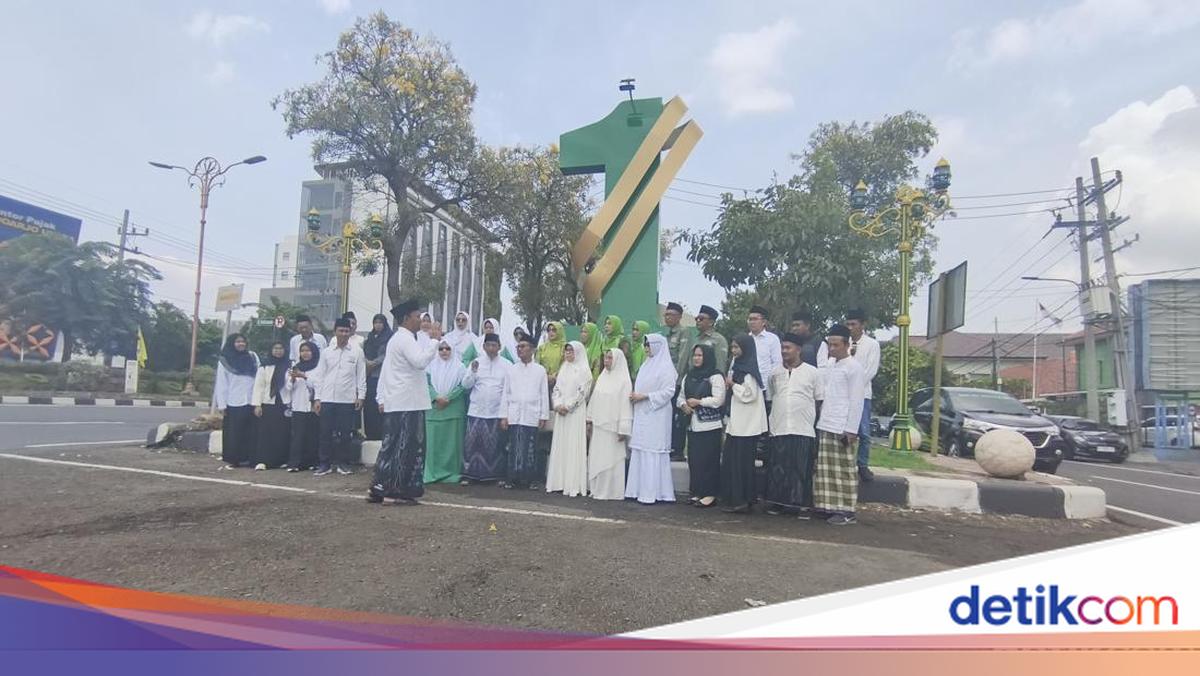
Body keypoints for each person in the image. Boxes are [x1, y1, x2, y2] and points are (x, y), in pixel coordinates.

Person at [369, 300, 441, 504]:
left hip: (401, 401)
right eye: (417, 316)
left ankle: (381, 485)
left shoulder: (398, 339)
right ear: (407, 319)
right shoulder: (405, 339)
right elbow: (419, 362)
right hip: (408, 403)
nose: (420, 320)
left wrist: (382, 397)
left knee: (392, 445)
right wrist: (435, 341)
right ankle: (400, 488)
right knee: (407, 446)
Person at [814, 324, 866, 525]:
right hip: (826, 422)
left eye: (836, 345)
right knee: (826, 469)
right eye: (830, 345)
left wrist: (851, 429)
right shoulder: (830, 365)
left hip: (843, 426)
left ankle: (846, 510)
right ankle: (828, 506)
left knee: (843, 469)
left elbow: (856, 401)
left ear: (846, 344)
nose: (832, 349)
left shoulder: (854, 368)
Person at [765, 333, 822, 517]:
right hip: (779, 426)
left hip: (803, 428)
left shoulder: (812, 372)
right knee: (778, 467)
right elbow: (771, 397)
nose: (784, 351)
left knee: (801, 468)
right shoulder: (774, 373)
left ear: (798, 350)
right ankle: (777, 503)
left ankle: (802, 505)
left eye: (788, 348)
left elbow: (819, 399)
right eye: (782, 348)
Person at [625, 333, 678, 504]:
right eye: (645, 345)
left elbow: (669, 391)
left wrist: (646, 396)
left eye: (649, 345)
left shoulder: (667, 367)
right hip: (642, 413)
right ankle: (637, 490)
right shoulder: (646, 364)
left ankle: (655, 492)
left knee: (653, 451)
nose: (646, 348)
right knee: (641, 449)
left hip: (657, 415)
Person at [313, 317, 367, 476]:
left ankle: (344, 463)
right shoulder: (326, 352)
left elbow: (361, 376)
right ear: (334, 332)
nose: (343, 334)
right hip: (327, 398)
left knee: (345, 434)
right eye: (341, 331)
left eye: (346, 331)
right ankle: (325, 464)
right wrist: (317, 398)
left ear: (350, 332)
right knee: (325, 433)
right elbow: (319, 376)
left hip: (347, 399)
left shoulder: (357, 351)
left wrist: (361, 396)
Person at [721, 334, 767, 513]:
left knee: (743, 464)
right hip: (738, 423)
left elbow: (750, 395)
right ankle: (735, 498)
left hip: (747, 425)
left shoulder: (749, 371)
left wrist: (733, 385)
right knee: (733, 461)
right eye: (732, 347)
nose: (734, 351)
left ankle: (744, 500)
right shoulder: (738, 367)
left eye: (737, 348)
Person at [678, 345, 726, 508]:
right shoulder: (689, 376)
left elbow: (719, 399)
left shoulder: (715, 376)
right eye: (695, 355)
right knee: (695, 460)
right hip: (693, 425)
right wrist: (684, 405)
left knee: (709, 460)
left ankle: (710, 493)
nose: (697, 358)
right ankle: (696, 491)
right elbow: (681, 397)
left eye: (700, 355)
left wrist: (699, 402)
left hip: (710, 425)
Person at [461, 333, 511, 485]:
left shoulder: (507, 364)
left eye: (494, 345)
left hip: (496, 411)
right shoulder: (476, 363)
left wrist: (505, 413)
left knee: (495, 445)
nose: (491, 348)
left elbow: (508, 390)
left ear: (499, 347)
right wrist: (473, 371)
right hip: (476, 411)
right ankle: (470, 476)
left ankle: (494, 476)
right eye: (488, 345)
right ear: (483, 347)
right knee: (472, 444)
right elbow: (465, 385)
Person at [500, 335, 549, 489]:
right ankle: (512, 478)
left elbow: (543, 394)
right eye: (518, 347)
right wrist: (503, 416)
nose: (520, 349)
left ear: (532, 349)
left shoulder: (540, 370)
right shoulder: (512, 369)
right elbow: (505, 393)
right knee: (513, 446)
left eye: (523, 346)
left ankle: (530, 479)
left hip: (531, 414)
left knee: (530, 447)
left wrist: (543, 415)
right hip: (515, 414)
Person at [545, 341, 592, 497]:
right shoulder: (564, 368)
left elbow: (582, 392)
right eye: (566, 351)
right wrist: (557, 404)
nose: (568, 354)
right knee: (561, 444)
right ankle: (558, 481)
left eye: (571, 351)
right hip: (561, 412)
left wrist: (569, 406)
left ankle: (573, 484)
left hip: (575, 413)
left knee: (573, 445)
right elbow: (557, 388)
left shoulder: (584, 370)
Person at [586, 348, 632, 500]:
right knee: (598, 457)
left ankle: (610, 492)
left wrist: (623, 429)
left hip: (613, 429)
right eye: (605, 358)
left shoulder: (624, 380)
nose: (607, 361)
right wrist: (589, 420)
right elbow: (594, 400)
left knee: (611, 459)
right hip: (599, 427)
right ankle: (596, 489)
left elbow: (625, 405)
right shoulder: (602, 377)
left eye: (610, 358)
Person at [424, 339, 468, 484]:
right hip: (434, 410)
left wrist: (448, 398)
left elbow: (463, 386)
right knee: (432, 444)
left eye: (447, 348)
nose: (444, 351)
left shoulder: (460, 367)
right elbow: (426, 383)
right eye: (441, 349)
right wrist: (436, 397)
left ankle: (451, 474)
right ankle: (432, 473)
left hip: (453, 410)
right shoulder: (430, 366)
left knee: (452, 445)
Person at [845, 309, 880, 482]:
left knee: (864, 432)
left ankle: (863, 465)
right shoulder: (845, 343)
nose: (850, 327)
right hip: (844, 395)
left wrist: (856, 387)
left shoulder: (872, 344)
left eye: (854, 324)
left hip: (863, 394)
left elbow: (871, 370)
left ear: (862, 325)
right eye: (848, 324)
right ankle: (846, 464)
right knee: (844, 432)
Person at [214, 334, 258, 470]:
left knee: (251, 431)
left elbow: (259, 377)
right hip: (234, 401)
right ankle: (235, 460)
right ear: (232, 343)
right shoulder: (225, 360)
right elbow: (221, 383)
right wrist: (222, 404)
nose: (241, 344)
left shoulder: (252, 357)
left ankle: (250, 458)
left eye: (243, 341)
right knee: (235, 433)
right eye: (238, 342)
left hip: (251, 400)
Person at [661, 301, 695, 460]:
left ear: (680, 317)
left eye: (671, 315)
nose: (667, 317)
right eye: (666, 314)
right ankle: (669, 447)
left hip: (677, 382)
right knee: (668, 416)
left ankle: (678, 450)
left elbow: (682, 358)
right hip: (666, 383)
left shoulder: (684, 332)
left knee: (678, 418)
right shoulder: (667, 334)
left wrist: (676, 381)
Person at [251, 341, 291, 470]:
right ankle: (263, 460)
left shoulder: (290, 365)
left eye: (281, 348)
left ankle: (282, 460)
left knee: (283, 432)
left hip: (285, 403)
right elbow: (259, 386)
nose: (278, 351)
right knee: (266, 432)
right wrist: (257, 404)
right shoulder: (264, 366)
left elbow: (291, 385)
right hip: (268, 402)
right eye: (275, 348)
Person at [285, 341, 321, 472]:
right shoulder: (295, 367)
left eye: (308, 351)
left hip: (313, 406)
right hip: (298, 405)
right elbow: (288, 387)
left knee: (312, 435)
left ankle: (312, 462)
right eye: (302, 351)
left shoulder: (319, 366)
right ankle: (295, 463)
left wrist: (304, 376)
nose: (305, 353)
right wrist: (293, 379)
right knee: (298, 435)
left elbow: (317, 384)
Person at [362, 313, 394, 441]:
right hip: (369, 376)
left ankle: (382, 435)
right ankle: (370, 434)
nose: (378, 325)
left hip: (381, 375)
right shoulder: (370, 338)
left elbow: (387, 354)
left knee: (379, 405)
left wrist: (374, 363)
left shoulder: (389, 337)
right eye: (375, 322)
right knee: (369, 407)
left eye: (380, 322)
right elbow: (363, 353)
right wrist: (367, 363)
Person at [679, 305, 728, 377]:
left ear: (711, 322)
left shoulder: (719, 340)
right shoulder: (696, 339)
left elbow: (720, 365)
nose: (698, 321)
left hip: (709, 381)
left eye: (701, 319)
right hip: (694, 379)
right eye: (697, 319)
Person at [748, 305, 782, 405]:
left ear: (763, 322)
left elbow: (777, 363)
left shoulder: (772, 339)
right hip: (747, 386)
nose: (752, 322)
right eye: (750, 319)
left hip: (765, 387)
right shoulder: (745, 339)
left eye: (755, 319)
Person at [535, 321, 566, 385]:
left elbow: (566, 364)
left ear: (559, 331)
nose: (551, 332)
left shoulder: (565, 347)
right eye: (549, 330)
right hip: (543, 380)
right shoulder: (542, 348)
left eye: (554, 330)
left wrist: (556, 375)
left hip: (560, 381)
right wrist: (546, 376)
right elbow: (537, 364)